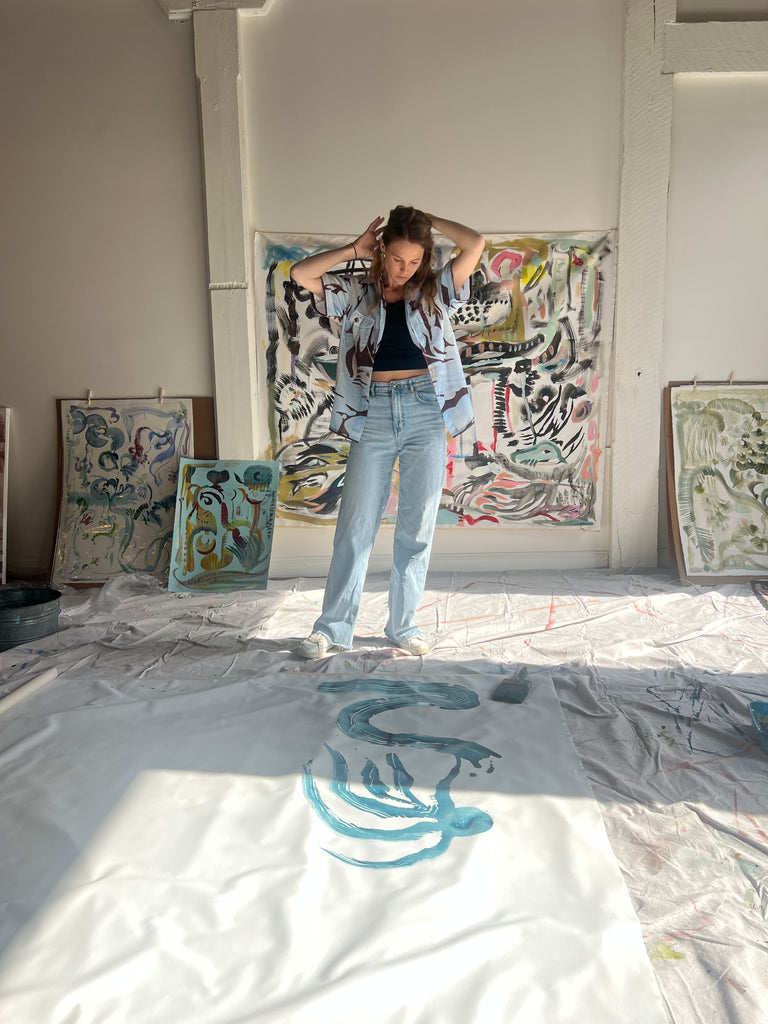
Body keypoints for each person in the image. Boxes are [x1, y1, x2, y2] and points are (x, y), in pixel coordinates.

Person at [290, 206, 484, 658]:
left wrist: (430, 221)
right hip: (371, 411)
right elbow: (302, 273)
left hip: (425, 410)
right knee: (355, 526)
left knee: (416, 528)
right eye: (398, 259)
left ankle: (404, 626)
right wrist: (352, 249)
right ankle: (333, 628)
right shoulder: (357, 291)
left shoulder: (437, 288)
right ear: (382, 252)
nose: (406, 268)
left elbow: (474, 243)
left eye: (415, 260)